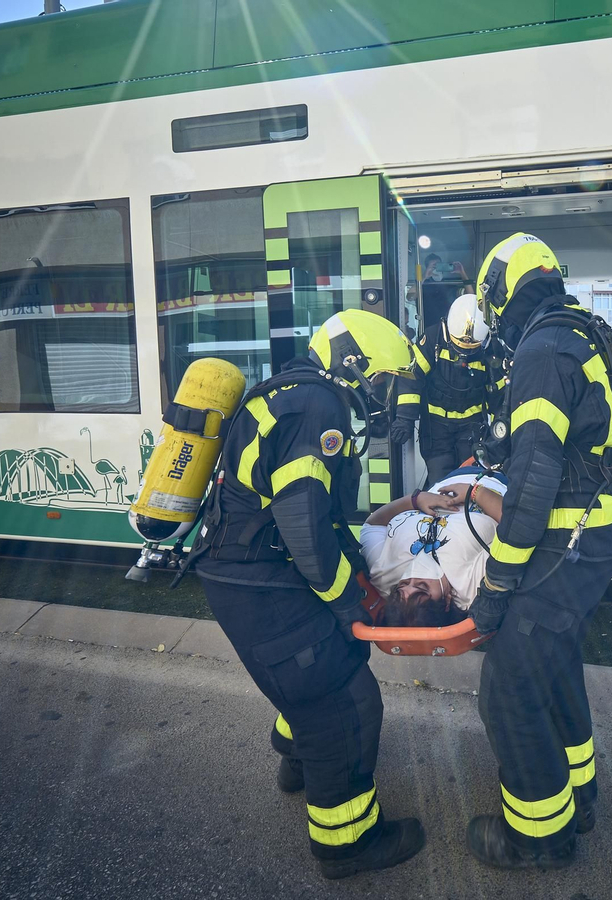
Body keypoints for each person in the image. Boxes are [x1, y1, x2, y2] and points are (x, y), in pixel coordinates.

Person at [188, 309, 427, 880]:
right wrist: (350, 606)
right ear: (357, 365)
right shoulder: (322, 408)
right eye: (387, 381)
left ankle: (297, 763)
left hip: (243, 572)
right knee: (344, 699)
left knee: (320, 669)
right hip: (261, 580)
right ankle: (348, 845)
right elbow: (303, 525)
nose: (389, 397)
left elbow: (312, 517)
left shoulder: (290, 395)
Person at [464, 233, 612, 870]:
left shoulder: (541, 349)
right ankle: (579, 796)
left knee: (507, 688)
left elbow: (535, 482)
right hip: (597, 536)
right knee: (555, 662)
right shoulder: (584, 331)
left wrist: (495, 589)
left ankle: (539, 837)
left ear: (502, 294)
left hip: (566, 545)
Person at [359, 469, 506, 627]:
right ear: (447, 601)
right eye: (422, 586)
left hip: (447, 480)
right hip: (495, 484)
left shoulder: (383, 574)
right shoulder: (474, 588)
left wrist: (415, 500)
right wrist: (476, 493)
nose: (413, 576)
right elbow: (515, 530)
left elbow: (373, 524)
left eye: (402, 585)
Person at [390, 296, 503, 487]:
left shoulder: (491, 348)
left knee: (468, 478)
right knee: (440, 479)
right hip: (436, 428)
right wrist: (404, 419)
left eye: (471, 347)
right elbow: (411, 377)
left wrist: (501, 429)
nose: (464, 352)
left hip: (472, 428)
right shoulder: (433, 340)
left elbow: (499, 393)